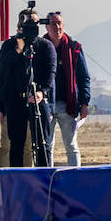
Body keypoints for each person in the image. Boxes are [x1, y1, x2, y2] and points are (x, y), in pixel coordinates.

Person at [0, 8, 57, 167]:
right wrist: (19, 47)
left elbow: (51, 73)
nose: (29, 28)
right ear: (19, 26)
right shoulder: (9, 45)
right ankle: (17, 181)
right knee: (16, 146)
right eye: (25, 24)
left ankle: (44, 181)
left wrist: (42, 93)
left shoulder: (45, 46)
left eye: (33, 23)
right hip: (15, 102)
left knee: (42, 144)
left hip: (39, 101)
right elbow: (0, 75)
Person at [43, 11, 90, 167]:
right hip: (46, 105)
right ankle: (46, 179)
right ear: (46, 27)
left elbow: (84, 78)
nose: (57, 27)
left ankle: (75, 178)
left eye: (59, 23)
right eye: (53, 24)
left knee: (71, 145)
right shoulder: (40, 47)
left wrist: (84, 103)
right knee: (46, 146)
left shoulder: (73, 48)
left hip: (68, 105)